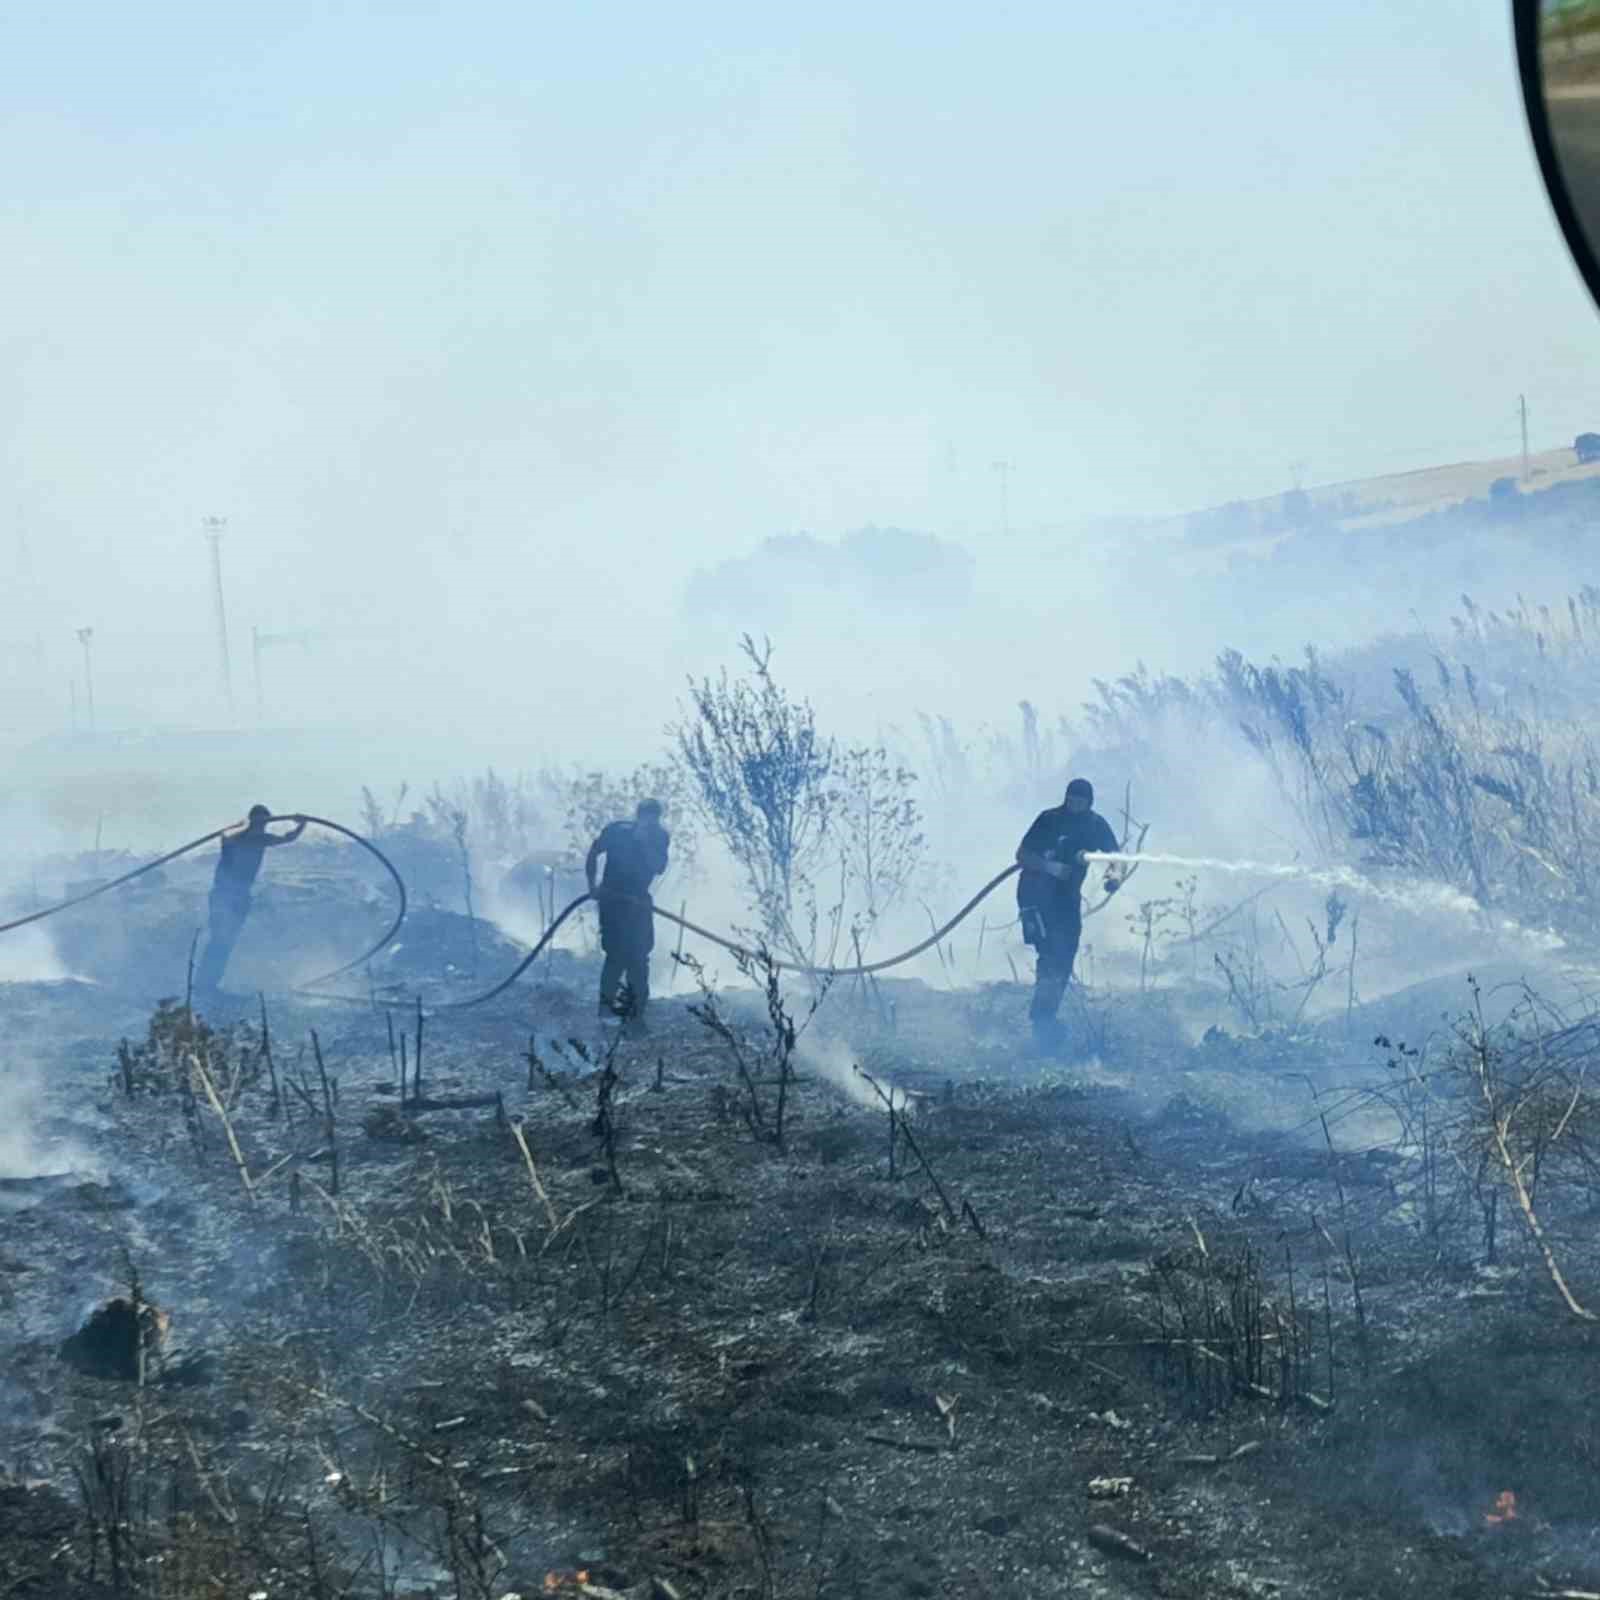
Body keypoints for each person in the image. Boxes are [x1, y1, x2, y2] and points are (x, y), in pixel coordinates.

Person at [1015, 778, 1123, 1053]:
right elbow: (1022, 854)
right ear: (1066, 797)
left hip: (1066, 900)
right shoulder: (1049, 819)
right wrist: (1050, 867)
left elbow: (1115, 856)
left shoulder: (1095, 825)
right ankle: (1042, 1021)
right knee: (1049, 953)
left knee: (1065, 953)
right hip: (1035, 897)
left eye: (1081, 800)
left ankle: (1046, 1016)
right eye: (1071, 798)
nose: (1075, 804)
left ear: (1089, 802)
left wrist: (1113, 875)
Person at [193, 806, 307, 994]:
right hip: (223, 895)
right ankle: (204, 985)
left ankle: (209, 984)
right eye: (260, 823)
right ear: (253, 821)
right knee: (220, 939)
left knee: (227, 941)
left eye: (265, 823)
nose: (263, 827)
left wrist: (302, 825)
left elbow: (289, 838)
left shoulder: (261, 839)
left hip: (241, 896)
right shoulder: (237, 838)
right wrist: (242, 826)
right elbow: (225, 837)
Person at [586, 799, 670, 1032]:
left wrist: (643, 844)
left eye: (654, 818)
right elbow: (593, 852)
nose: (650, 822)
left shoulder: (659, 837)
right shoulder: (617, 831)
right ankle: (606, 1008)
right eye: (646, 817)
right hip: (612, 900)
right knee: (616, 955)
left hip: (639, 902)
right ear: (638, 815)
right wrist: (592, 886)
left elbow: (658, 866)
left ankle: (636, 1014)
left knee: (640, 957)